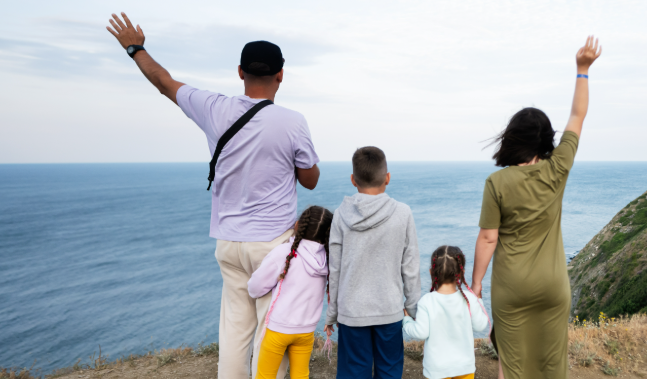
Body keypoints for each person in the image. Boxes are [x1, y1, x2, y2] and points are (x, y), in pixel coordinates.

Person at [105, 12, 321, 379]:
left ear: (240, 72)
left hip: (228, 242)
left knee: (235, 329)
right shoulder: (292, 121)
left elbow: (164, 82)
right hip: (272, 243)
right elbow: (310, 180)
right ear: (281, 75)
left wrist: (135, 48)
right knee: (273, 327)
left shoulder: (212, 107)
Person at [470, 36, 602, 379]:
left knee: (511, 365)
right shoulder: (558, 169)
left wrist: (476, 283)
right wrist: (583, 69)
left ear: (512, 138)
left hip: (512, 287)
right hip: (552, 285)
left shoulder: (497, 183)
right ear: (545, 140)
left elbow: (488, 239)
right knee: (550, 364)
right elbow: (577, 115)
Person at [324, 146, 422, 379]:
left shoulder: (340, 215)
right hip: (389, 310)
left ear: (352, 180)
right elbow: (410, 266)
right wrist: (413, 307)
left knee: (353, 373)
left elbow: (334, 271)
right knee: (389, 371)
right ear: (387, 178)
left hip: (351, 311)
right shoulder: (403, 213)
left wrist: (332, 314)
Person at [247, 206, 334, 379]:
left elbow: (255, 287)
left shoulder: (284, 252)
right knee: (301, 375)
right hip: (306, 331)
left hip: (278, 331)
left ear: (297, 225)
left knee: (265, 376)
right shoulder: (327, 259)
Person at [403, 246, 490, 379]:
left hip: (437, 370)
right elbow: (480, 325)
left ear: (431, 272)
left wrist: (407, 320)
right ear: (461, 273)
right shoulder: (469, 298)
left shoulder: (426, 301)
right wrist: (479, 301)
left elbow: (420, 333)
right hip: (464, 367)